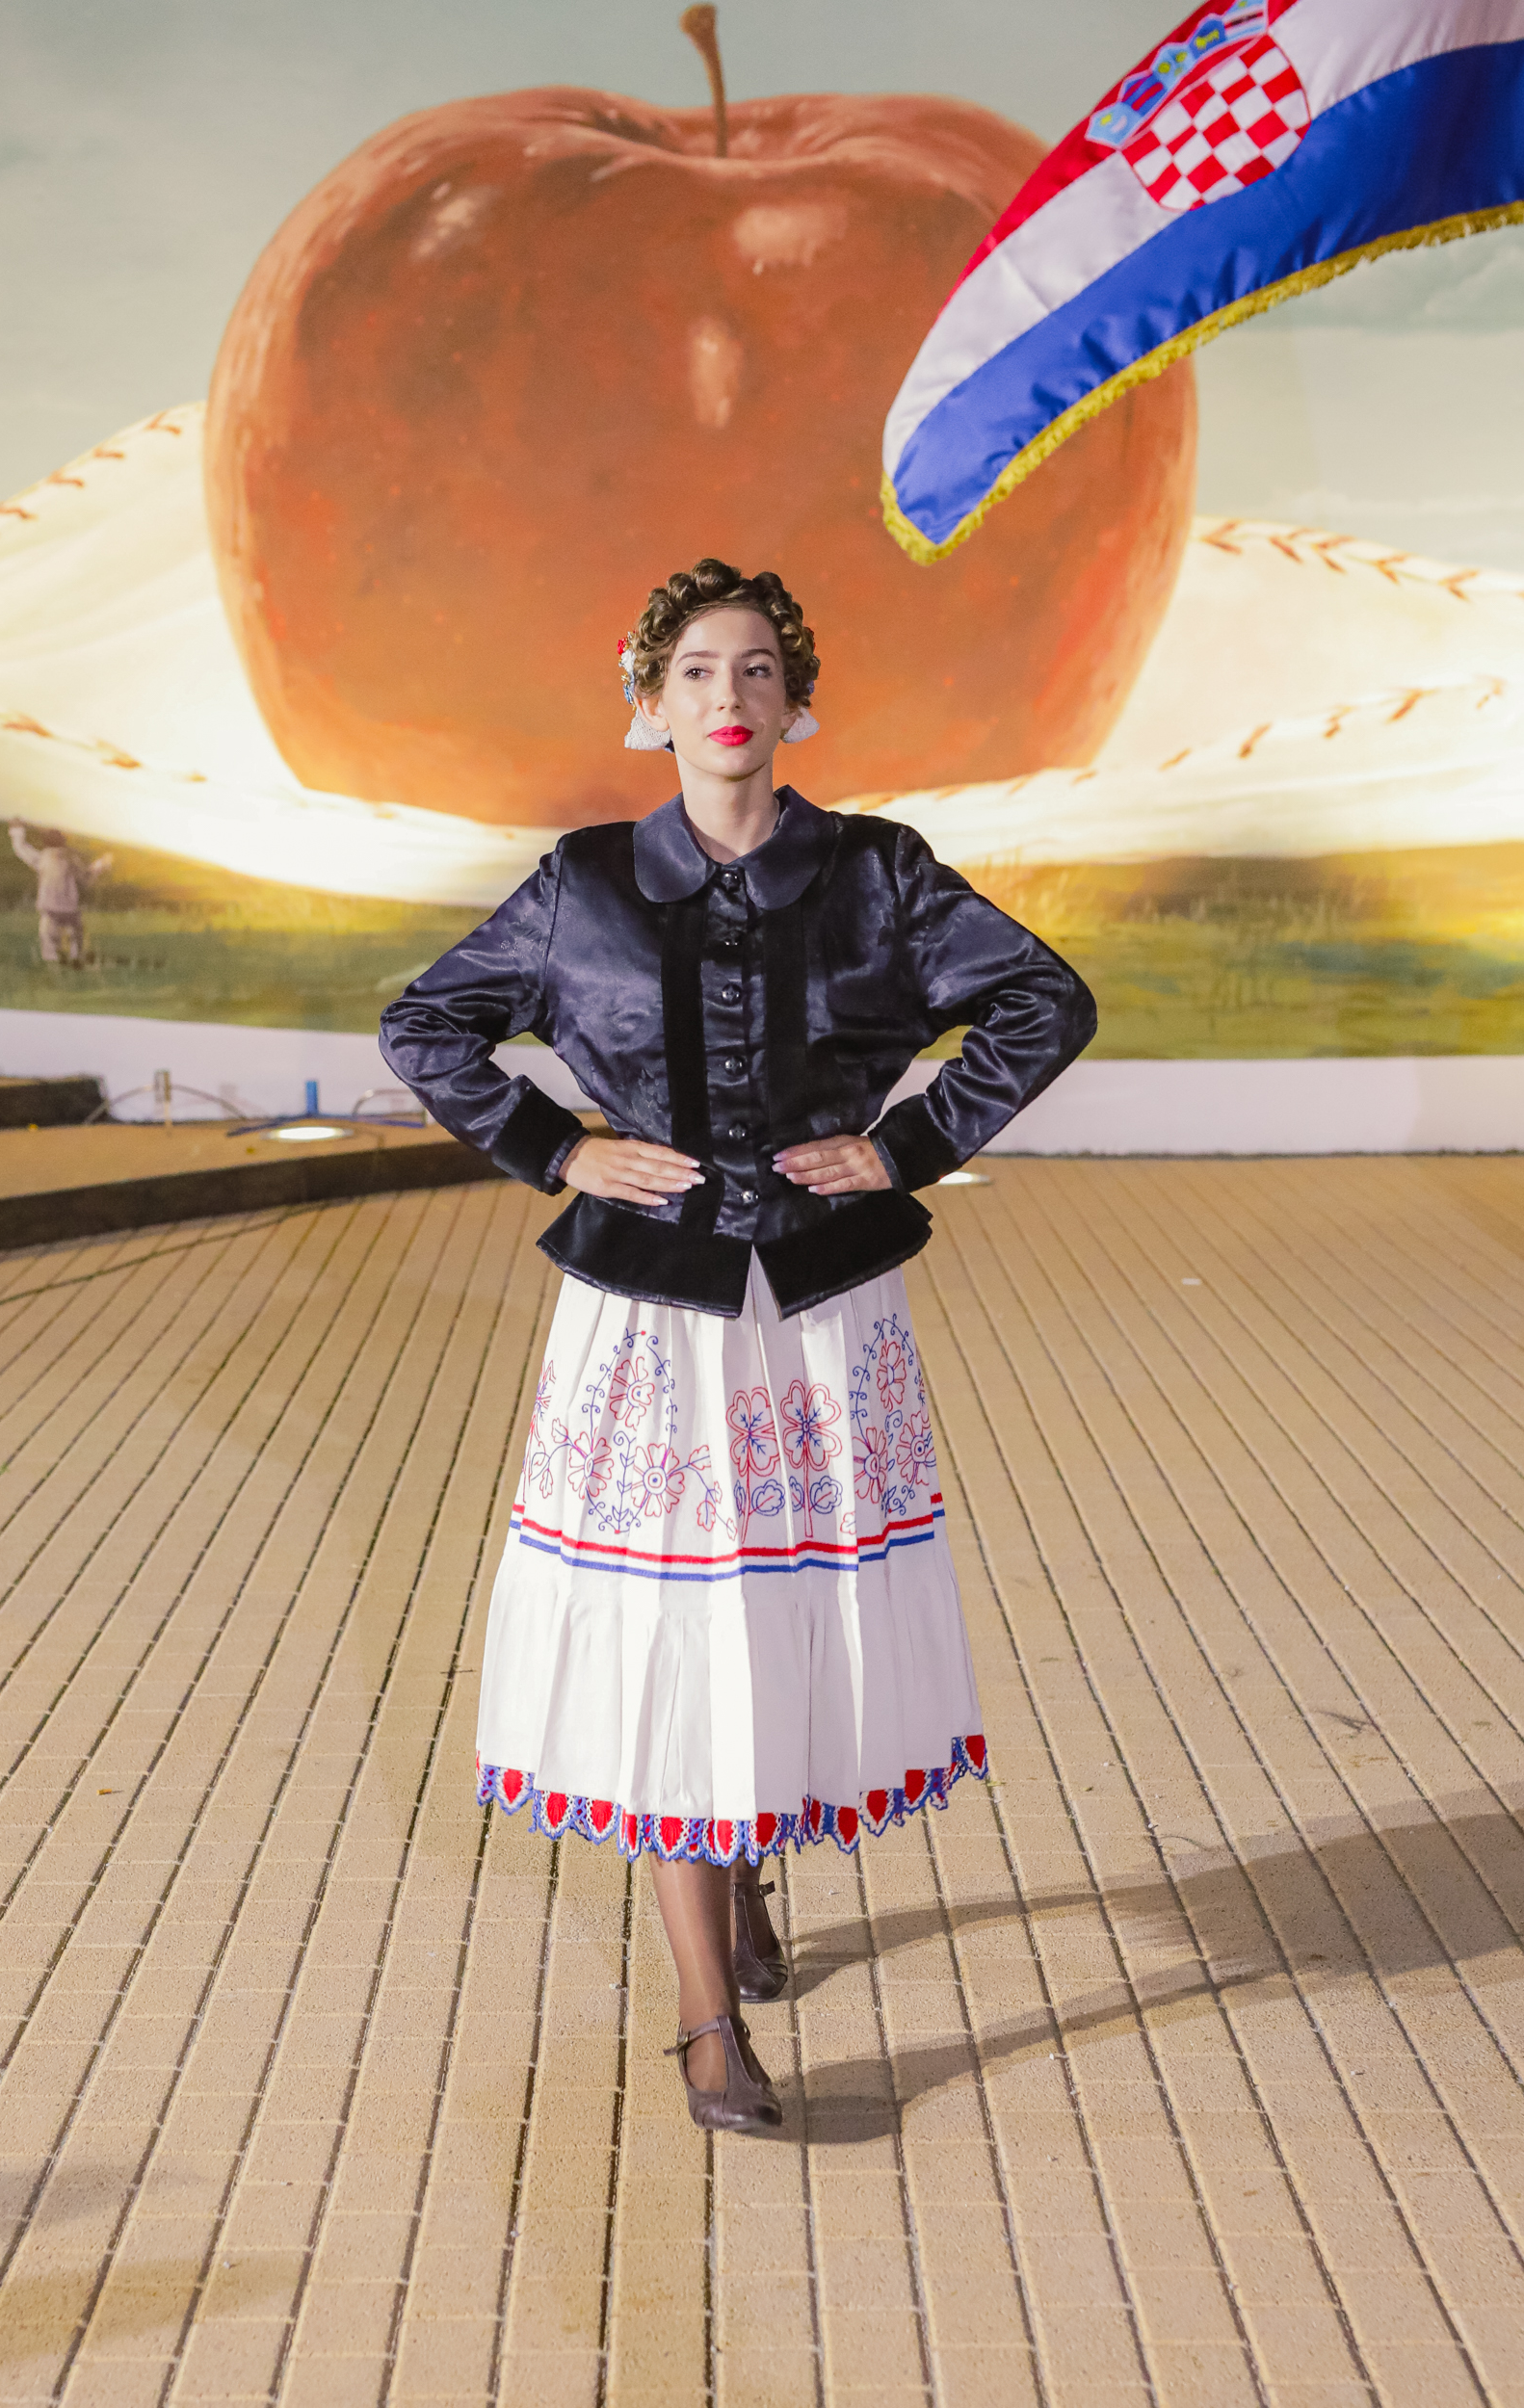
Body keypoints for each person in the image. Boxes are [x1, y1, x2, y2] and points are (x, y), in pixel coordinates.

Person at [380, 558, 1095, 2134]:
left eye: (756, 669)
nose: (726, 695)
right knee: (668, 1635)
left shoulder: (878, 874)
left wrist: (904, 1147)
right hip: (647, 1320)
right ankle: (706, 2021)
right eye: (695, 671)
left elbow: (1044, 1003)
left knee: (770, 1616)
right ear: (649, 706)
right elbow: (423, 1024)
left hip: (821, 1314)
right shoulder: (580, 884)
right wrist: (558, 1147)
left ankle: (747, 1861)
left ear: (796, 704)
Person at [8, 820, 113, 965]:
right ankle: (75, 957)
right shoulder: (70, 858)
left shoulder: (42, 858)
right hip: (69, 906)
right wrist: (102, 864)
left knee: (48, 936)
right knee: (76, 934)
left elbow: (21, 849)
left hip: (49, 905)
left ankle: (53, 960)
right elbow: (86, 878)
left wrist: (17, 831)